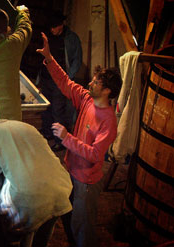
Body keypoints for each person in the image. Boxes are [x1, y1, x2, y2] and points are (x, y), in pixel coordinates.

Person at [36, 32, 122, 247]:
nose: (90, 84)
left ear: (107, 91)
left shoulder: (109, 122)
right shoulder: (86, 99)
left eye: (96, 82)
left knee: (83, 227)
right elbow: (65, 82)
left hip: (86, 181)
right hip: (72, 171)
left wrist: (66, 138)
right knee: (70, 219)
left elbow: (94, 154)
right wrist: (49, 58)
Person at [0, 89, 73, 247]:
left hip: (27, 201)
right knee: (41, 235)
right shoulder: (27, 127)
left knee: (7, 232)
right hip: (61, 191)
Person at [36, 11, 82, 151]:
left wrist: (68, 78)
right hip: (46, 78)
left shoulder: (71, 38)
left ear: (62, 25)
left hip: (59, 81)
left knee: (58, 110)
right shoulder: (48, 36)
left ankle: (60, 141)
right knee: (46, 108)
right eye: (51, 27)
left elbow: (77, 60)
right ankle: (47, 133)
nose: (52, 30)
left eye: (55, 27)